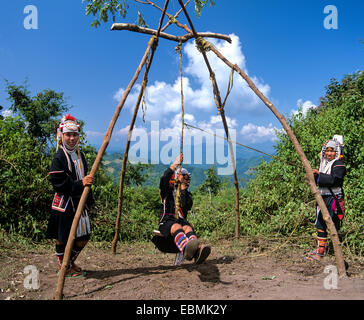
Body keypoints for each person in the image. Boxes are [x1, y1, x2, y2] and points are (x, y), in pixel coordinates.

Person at [46, 114, 94, 277]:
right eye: (68, 135)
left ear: (79, 137)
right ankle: (64, 266)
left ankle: (69, 263)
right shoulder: (59, 157)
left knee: (83, 236)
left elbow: (87, 181)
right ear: (62, 136)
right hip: (64, 204)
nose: (72, 138)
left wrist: (89, 201)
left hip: (79, 202)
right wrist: (81, 184)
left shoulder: (80, 156)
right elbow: (58, 184)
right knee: (63, 237)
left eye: (75, 135)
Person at [152, 154, 211, 265]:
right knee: (176, 226)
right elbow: (164, 179)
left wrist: (183, 190)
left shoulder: (187, 196)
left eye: (186, 178)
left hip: (180, 221)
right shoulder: (167, 191)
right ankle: (186, 248)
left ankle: (196, 251)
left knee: (187, 228)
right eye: (183, 177)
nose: (185, 180)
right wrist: (176, 163)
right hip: (167, 221)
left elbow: (184, 205)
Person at [305, 136, 346, 262]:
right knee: (320, 224)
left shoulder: (339, 164)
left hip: (332, 199)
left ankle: (325, 253)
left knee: (327, 224)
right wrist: (316, 175)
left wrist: (319, 175)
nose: (329, 153)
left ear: (337, 152)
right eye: (327, 150)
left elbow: (335, 180)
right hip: (324, 197)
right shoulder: (324, 163)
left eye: (332, 151)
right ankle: (320, 251)